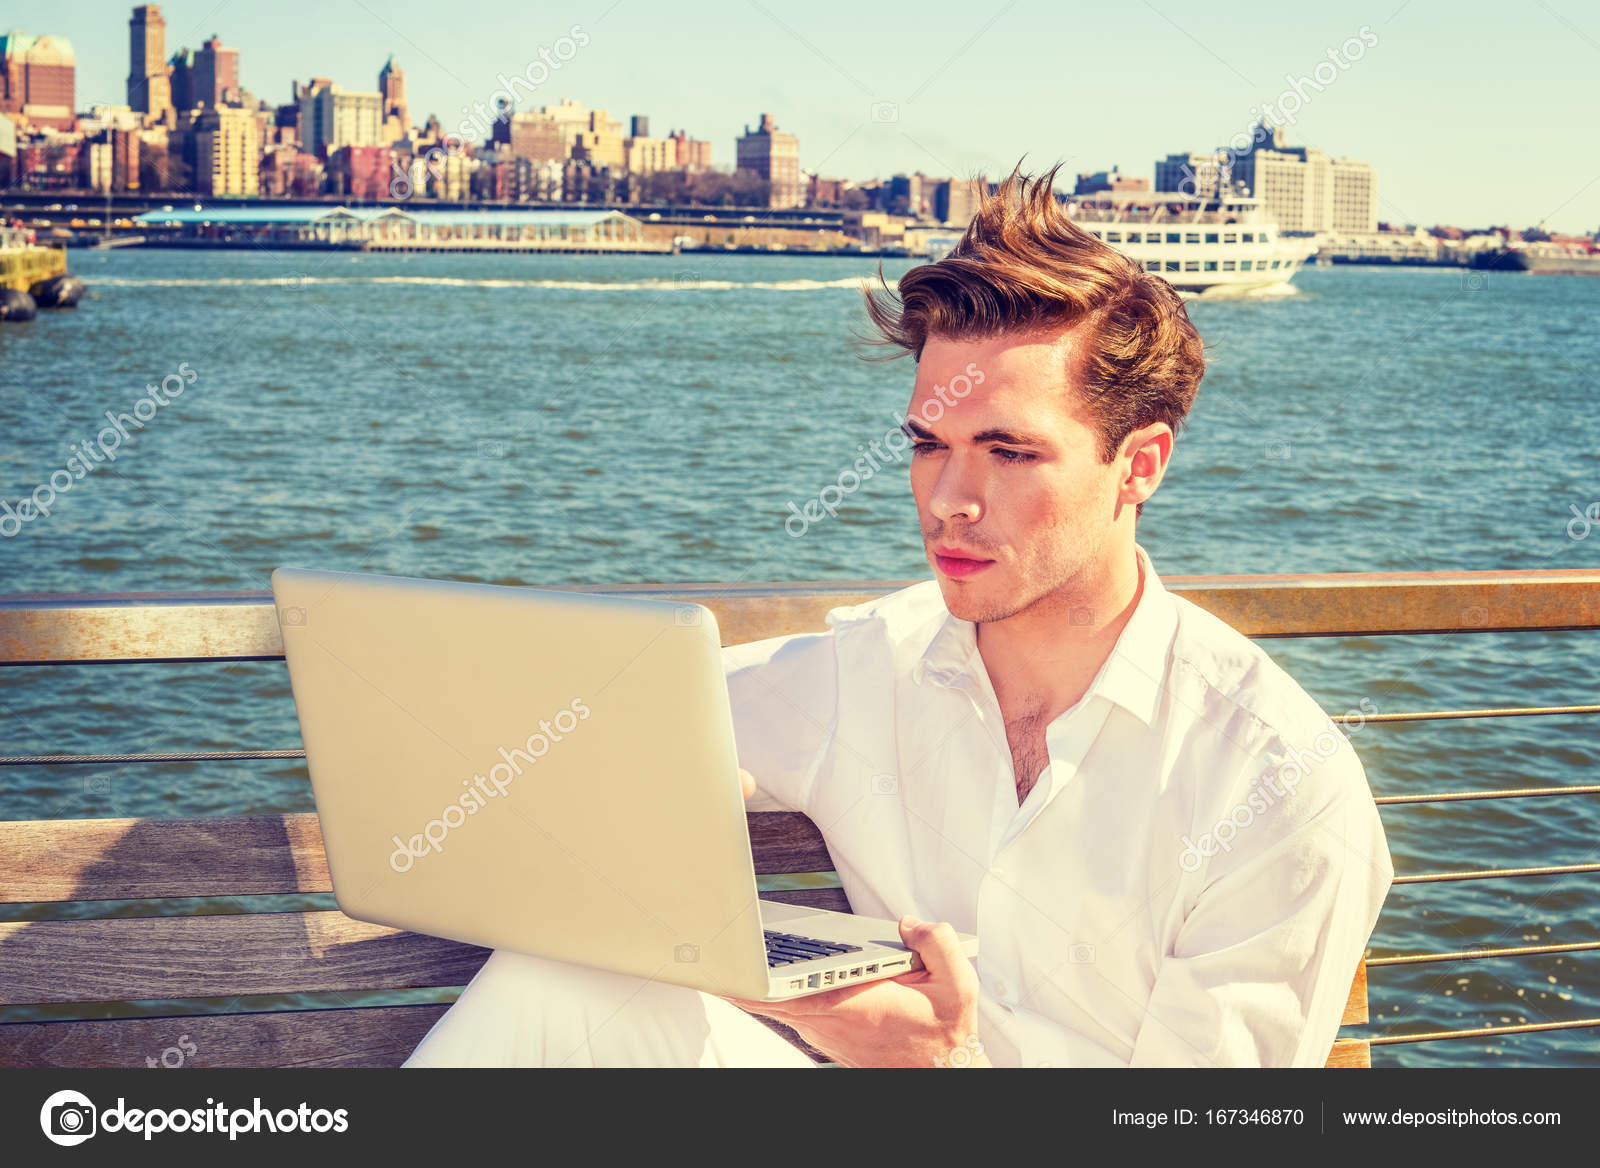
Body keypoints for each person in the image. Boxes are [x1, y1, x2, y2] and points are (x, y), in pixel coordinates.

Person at [402, 164, 1392, 1068]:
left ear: (1138, 466)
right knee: (559, 986)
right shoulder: (864, 670)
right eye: (928, 443)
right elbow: (599, 741)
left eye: (1008, 453)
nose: (947, 500)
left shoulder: (1274, 786)